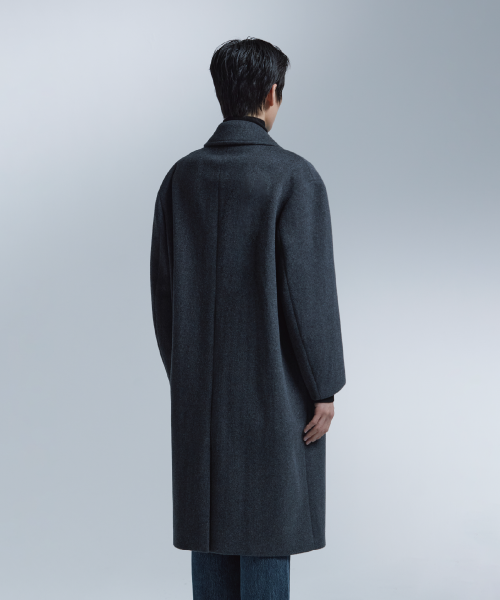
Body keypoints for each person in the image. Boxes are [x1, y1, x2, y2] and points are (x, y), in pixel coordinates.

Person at [150, 37, 346, 600]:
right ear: (272, 93)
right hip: (274, 397)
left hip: (201, 399)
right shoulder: (293, 178)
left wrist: (187, 372)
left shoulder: (180, 179)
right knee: (266, 529)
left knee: (211, 534)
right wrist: (324, 386)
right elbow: (309, 295)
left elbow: (164, 296)